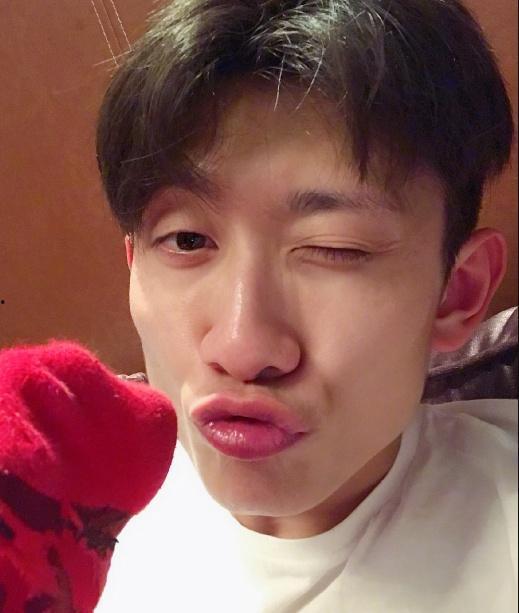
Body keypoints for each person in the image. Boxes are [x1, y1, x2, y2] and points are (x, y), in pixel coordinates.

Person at [94, 0, 517, 611]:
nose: (242, 348)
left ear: (458, 291)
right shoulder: (61, 526)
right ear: (133, 263)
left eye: (334, 248)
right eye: (186, 240)